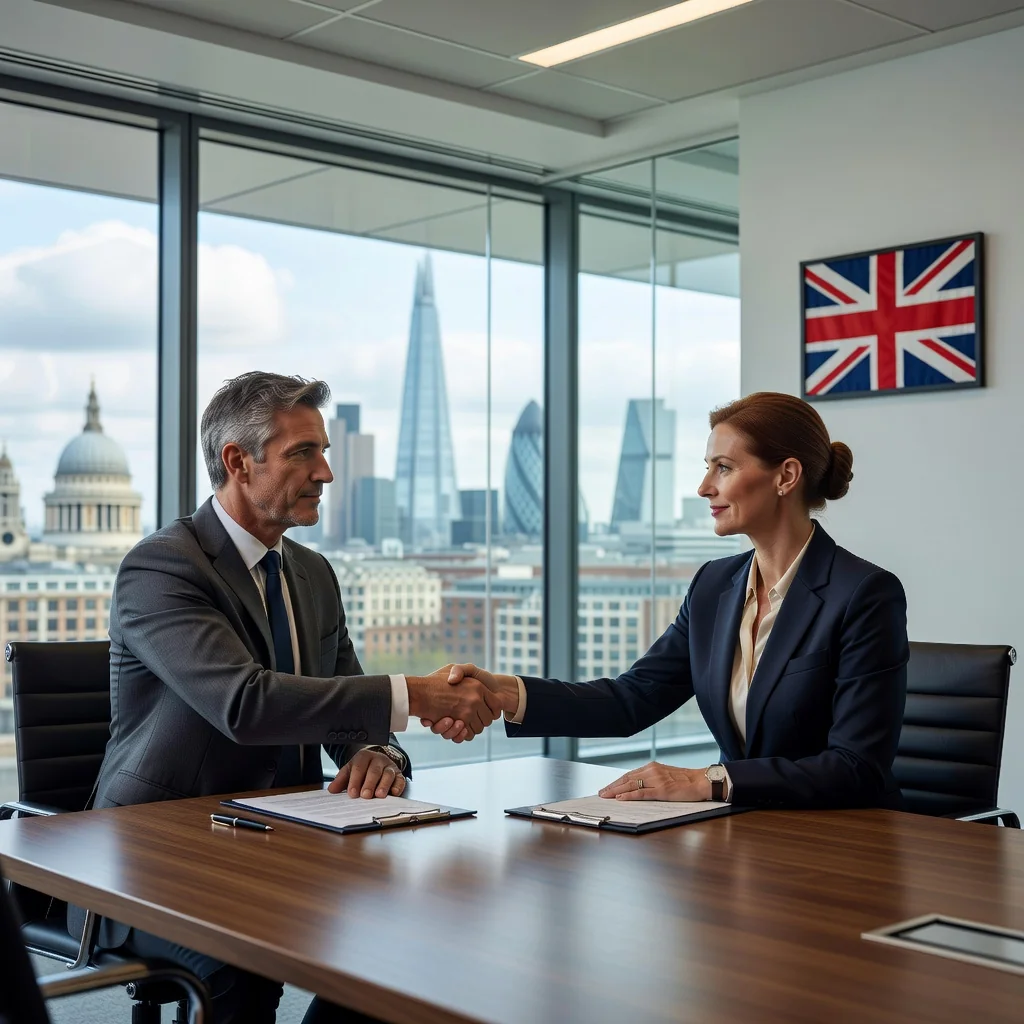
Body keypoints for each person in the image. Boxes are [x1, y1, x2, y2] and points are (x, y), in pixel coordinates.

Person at [80, 371, 502, 1024]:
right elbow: (245, 705)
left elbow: (349, 710)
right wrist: (415, 695)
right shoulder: (162, 568)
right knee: (241, 970)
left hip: (285, 845)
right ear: (237, 461)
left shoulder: (311, 572)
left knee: (413, 948)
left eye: (325, 451)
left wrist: (379, 754)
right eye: (303, 453)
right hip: (157, 857)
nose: (327, 473)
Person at [428, 392, 909, 810]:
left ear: (786, 475)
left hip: (844, 842)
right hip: (745, 838)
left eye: (724, 467)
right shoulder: (713, 587)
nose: (704, 487)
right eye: (707, 467)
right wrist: (506, 692)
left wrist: (708, 782)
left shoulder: (863, 594)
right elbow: (630, 700)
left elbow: (856, 767)